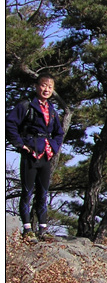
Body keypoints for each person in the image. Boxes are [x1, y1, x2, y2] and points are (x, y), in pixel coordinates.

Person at [5, 74, 65, 241]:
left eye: (50, 87)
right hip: (30, 152)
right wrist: (21, 145)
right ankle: (27, 229)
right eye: (43, 85)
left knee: (43, 192)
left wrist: (53, 147)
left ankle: (43, 228)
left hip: (45, 154)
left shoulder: (52, 110)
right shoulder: (26, 105)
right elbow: (9, 124)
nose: (46, 89)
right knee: (27, 191)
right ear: (36, 86)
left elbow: (59, 133)